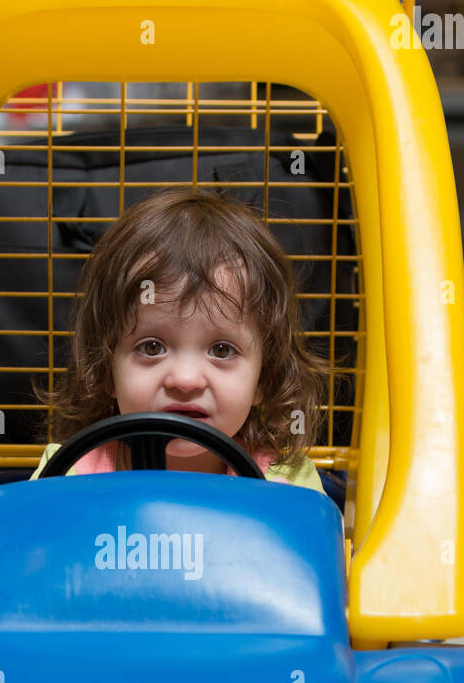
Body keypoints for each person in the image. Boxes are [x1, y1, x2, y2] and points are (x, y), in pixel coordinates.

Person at [30, 186, 327, 489]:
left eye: (222, 350)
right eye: (152, 347)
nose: (185, 381)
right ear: (106, 369)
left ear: (264, 377)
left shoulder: (286, 483)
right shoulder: (67, 473)